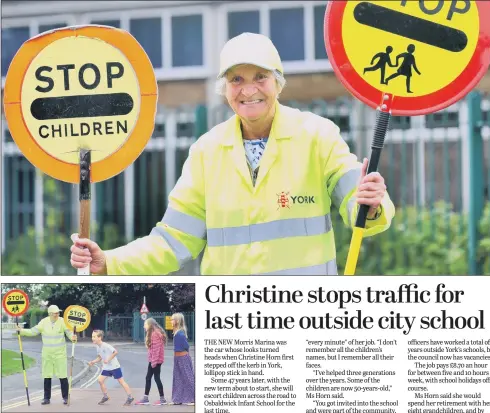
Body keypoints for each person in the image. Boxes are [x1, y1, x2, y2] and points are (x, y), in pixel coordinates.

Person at [70, 32, 395, 275]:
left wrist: (371, 201)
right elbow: (172, 241)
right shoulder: (206, 152)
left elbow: (361, 205)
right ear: (224, 89)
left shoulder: (318, 135)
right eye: (236, 79)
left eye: (261, 78)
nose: (249, 89)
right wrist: (110, 261)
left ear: (278, 84)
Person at [15, 305, 77, 405]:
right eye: (55, 313)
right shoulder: (44, 322)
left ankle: (65, 397)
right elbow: (33, 331)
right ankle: (46, 398)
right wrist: (21, 331)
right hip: (47, 354)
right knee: (47, 376)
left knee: (63, 375)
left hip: (60, 354)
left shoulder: (62, 321)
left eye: (58, 313)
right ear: (50, 314)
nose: (57, 314)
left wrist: (73, 337)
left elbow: (69, 332)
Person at [88, 330, 134, 406]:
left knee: (121, 382)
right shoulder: (98, 347)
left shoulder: (105, 345)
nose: (92, 338)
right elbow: (100, 357)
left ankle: (130, 397)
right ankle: (105, 396)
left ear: (99, 337)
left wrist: (108, 359)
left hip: (114, 367)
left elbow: (115, 352)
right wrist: (93, 362)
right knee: (100, 380)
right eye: (92, 336)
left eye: (94, 337)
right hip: (106, 368)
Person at [135, 318, 168, 406]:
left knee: (156, 378)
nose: (144, 326)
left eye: (145, 324)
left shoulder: (155, 334)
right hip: (154, 360)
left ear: (150, 325)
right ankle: (146, 398)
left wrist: (153, 362)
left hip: (155, 361)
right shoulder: (154, 333)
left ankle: (162, 399)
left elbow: (156, 350)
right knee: (148, 378)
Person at [170, 313, 195, 406]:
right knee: (178, 378)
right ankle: (178, 399)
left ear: (177, 321)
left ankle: (193, 398)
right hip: (177, 358)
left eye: (172, 319)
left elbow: (186, 346)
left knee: (188, 378)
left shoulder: (180, 333)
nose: (171, 321)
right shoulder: (176, 332)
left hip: (183, 358)